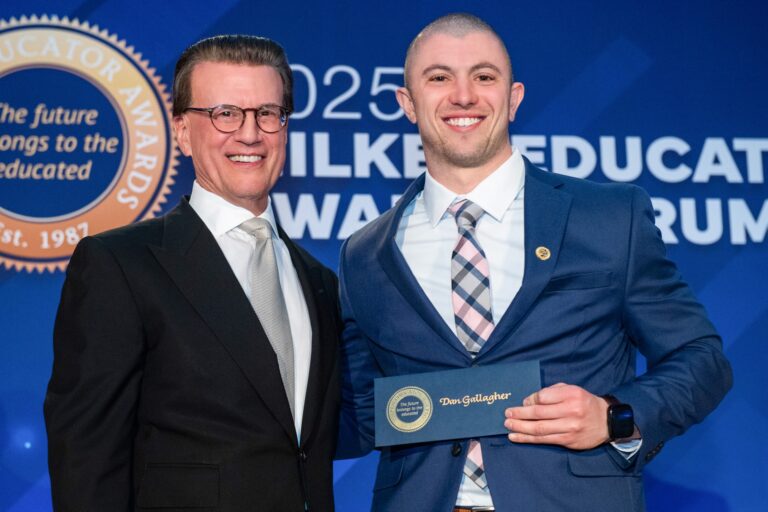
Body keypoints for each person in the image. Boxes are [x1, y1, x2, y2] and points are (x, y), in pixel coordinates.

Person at [336, 13, 732, 512]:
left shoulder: (609, 218)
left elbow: (702, 359)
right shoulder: (364, 253)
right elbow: (364, 413)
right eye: (438, 78)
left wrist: (614, 414)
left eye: (484, 76)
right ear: (407, 103)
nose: (463, 95)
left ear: (514, 97)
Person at [44, 35, 341, 511]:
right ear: (182, 131)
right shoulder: (120, 265)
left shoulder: (320, 281)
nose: (250, 134)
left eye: (268, 113)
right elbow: (86, 455)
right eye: (225, 113)